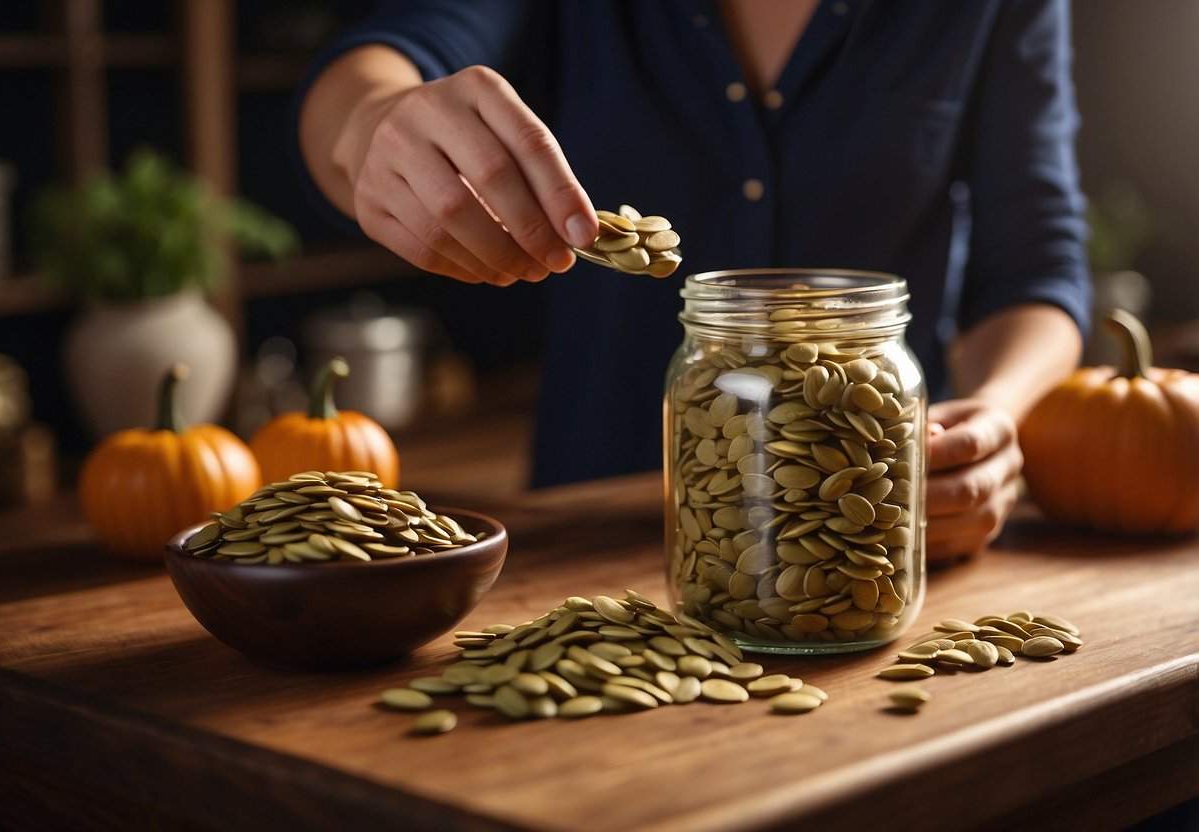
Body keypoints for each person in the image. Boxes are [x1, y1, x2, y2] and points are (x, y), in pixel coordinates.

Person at [294, 0, 1092, 563]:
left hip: (875, 526)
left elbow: (1036, 260)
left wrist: (991, 419)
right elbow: (390, 54)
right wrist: (373, 121)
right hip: (580, 539)